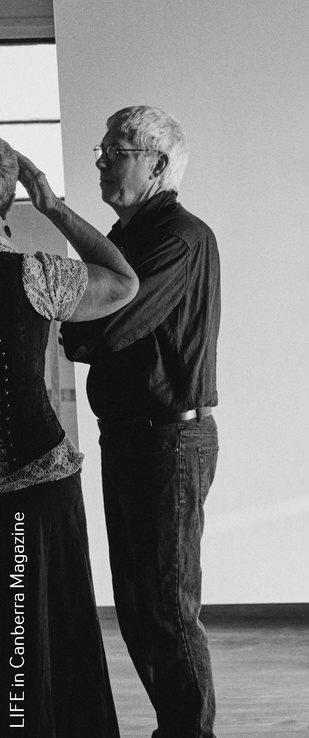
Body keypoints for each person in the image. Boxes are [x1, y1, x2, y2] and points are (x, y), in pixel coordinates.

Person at [60, 106, 221, 738]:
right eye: (102, 150)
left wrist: (83, 328)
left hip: (169, 440)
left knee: (167, 608)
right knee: (136, 605)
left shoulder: (179, 237)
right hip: (132, 436)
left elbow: (107, 326)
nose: (102, 161)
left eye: (116, 151)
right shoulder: (126, 237)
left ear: (156, 165)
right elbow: (89, 324)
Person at [0, 140, 138, 735]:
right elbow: (124, 282)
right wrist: (51, 205)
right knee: (34, 632)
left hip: (34, 483)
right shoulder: (34, 275)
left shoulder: (33, 274)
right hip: (36, 482)